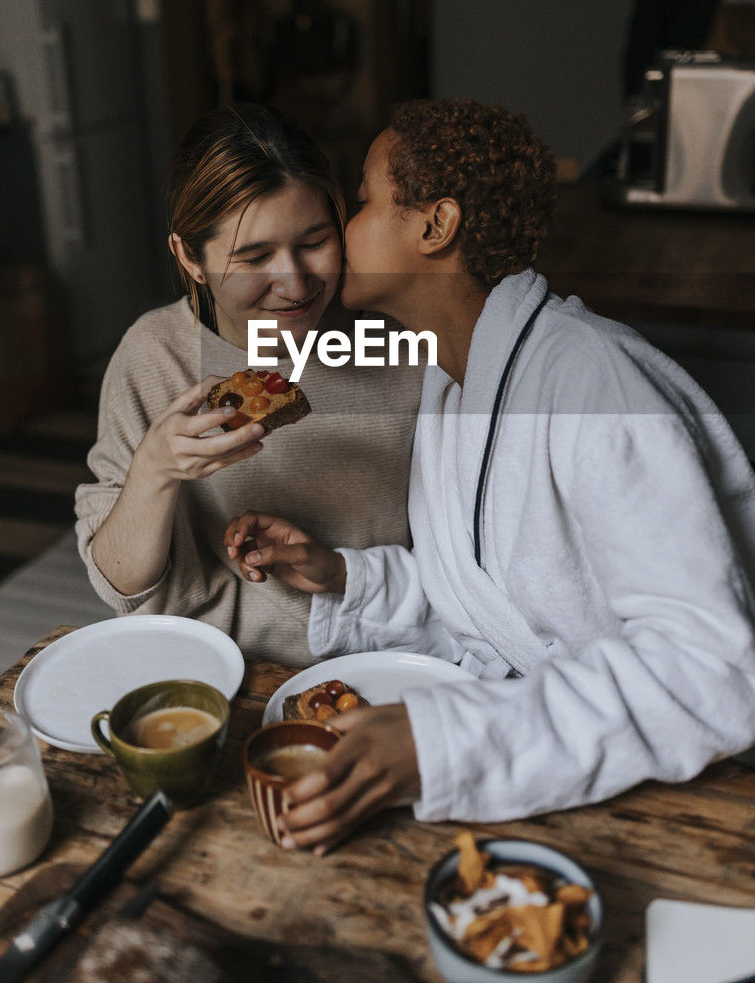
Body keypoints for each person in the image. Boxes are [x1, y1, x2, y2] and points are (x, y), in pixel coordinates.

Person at [225, 97, 755, 851]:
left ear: (435, 226)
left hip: (698, 791)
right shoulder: (451, 385)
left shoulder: (588, 383)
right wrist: (340, 574)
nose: (344, 231)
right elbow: (488, 604)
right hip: (552, 764)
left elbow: (712, 670)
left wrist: (447, 744)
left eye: (367, 201)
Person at [75, 103, 423, 666]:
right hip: (224, 666)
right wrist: (155, 470)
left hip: (392, 653)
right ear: (189, 256)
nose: (294, 282)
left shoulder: (398, 335)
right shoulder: (154, 355)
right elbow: (121, 586)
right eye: (254, 257)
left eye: (314, 241)